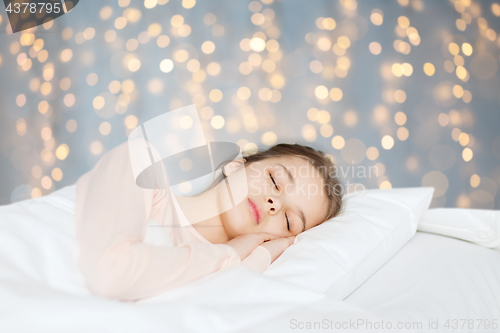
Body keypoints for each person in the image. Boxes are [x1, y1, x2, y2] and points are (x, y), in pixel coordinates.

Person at [75, 140, 343, 301]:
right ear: (237, 164)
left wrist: (251, 260)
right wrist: (230, 253)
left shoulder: (240, 271)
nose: (275, 203)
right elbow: (111, 273)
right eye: (275, 180)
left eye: (288, 220)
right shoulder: (141, 166)